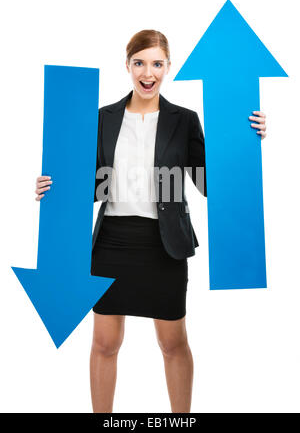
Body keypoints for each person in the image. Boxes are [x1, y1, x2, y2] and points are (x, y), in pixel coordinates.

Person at [35, 30, 267, 413]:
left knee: (173, 344)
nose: (148, 73)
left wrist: (247, 142)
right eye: (140, 63)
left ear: (168, 67)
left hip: (166, 245)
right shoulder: (102, 118)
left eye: (157, 63)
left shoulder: (185, 120)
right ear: (127, 66)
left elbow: (212, 185)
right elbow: (90, 185)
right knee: (104, 344)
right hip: (111, 243)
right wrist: (52, 188)